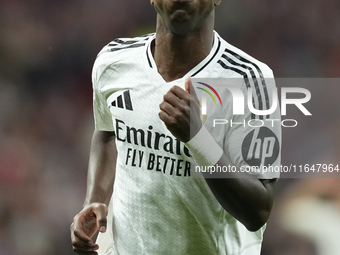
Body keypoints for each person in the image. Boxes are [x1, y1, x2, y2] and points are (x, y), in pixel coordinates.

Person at [70, 0, 281, 254]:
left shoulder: (251, 80)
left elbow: (258, 209)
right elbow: (107, 131)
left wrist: (198, 138)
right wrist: (93, 199)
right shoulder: (114, 61)